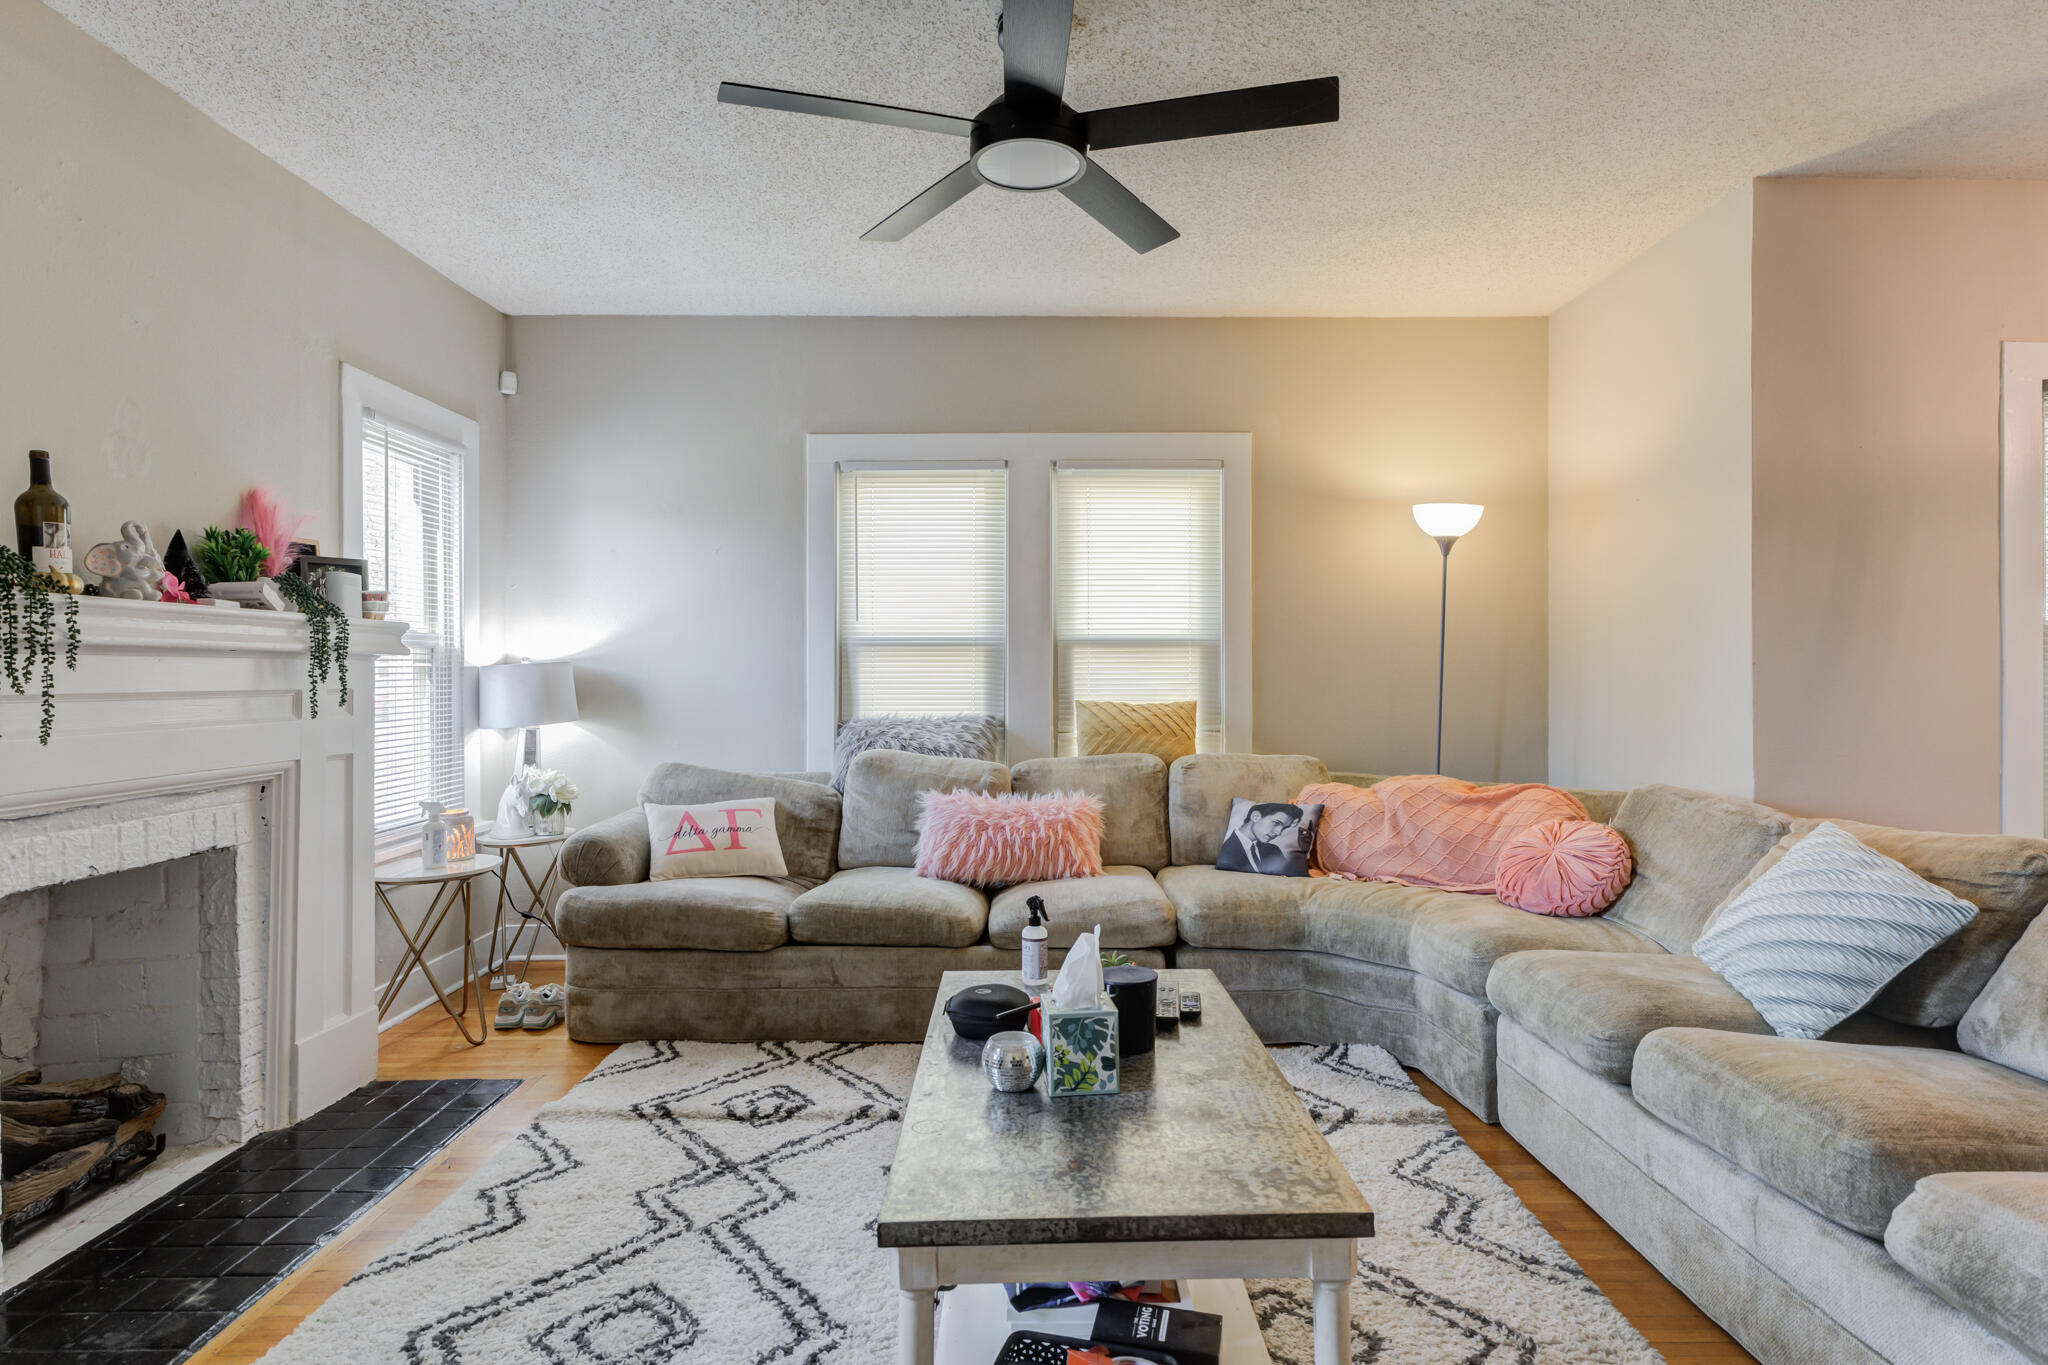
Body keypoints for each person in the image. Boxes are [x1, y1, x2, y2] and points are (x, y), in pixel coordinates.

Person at [1221, 802, 1315, 876]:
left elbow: (1291, 875)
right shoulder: (1226, 849)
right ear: (1255, 817)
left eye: (1284, 828)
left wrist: (1302, 851)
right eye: (1276, 823)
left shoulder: (1273, 850)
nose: (1279, 833)